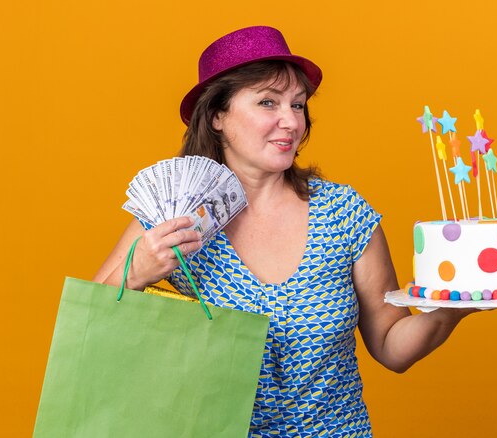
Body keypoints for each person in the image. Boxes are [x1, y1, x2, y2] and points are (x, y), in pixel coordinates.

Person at [94, 26, 477, 436]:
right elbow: (91, 327)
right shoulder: (174, 214)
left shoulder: (343, 214)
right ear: (217, 115)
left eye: (297, 105)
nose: (290, 121)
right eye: (267, 102)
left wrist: (454, 309)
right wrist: (138, 272)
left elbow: (390, 345)